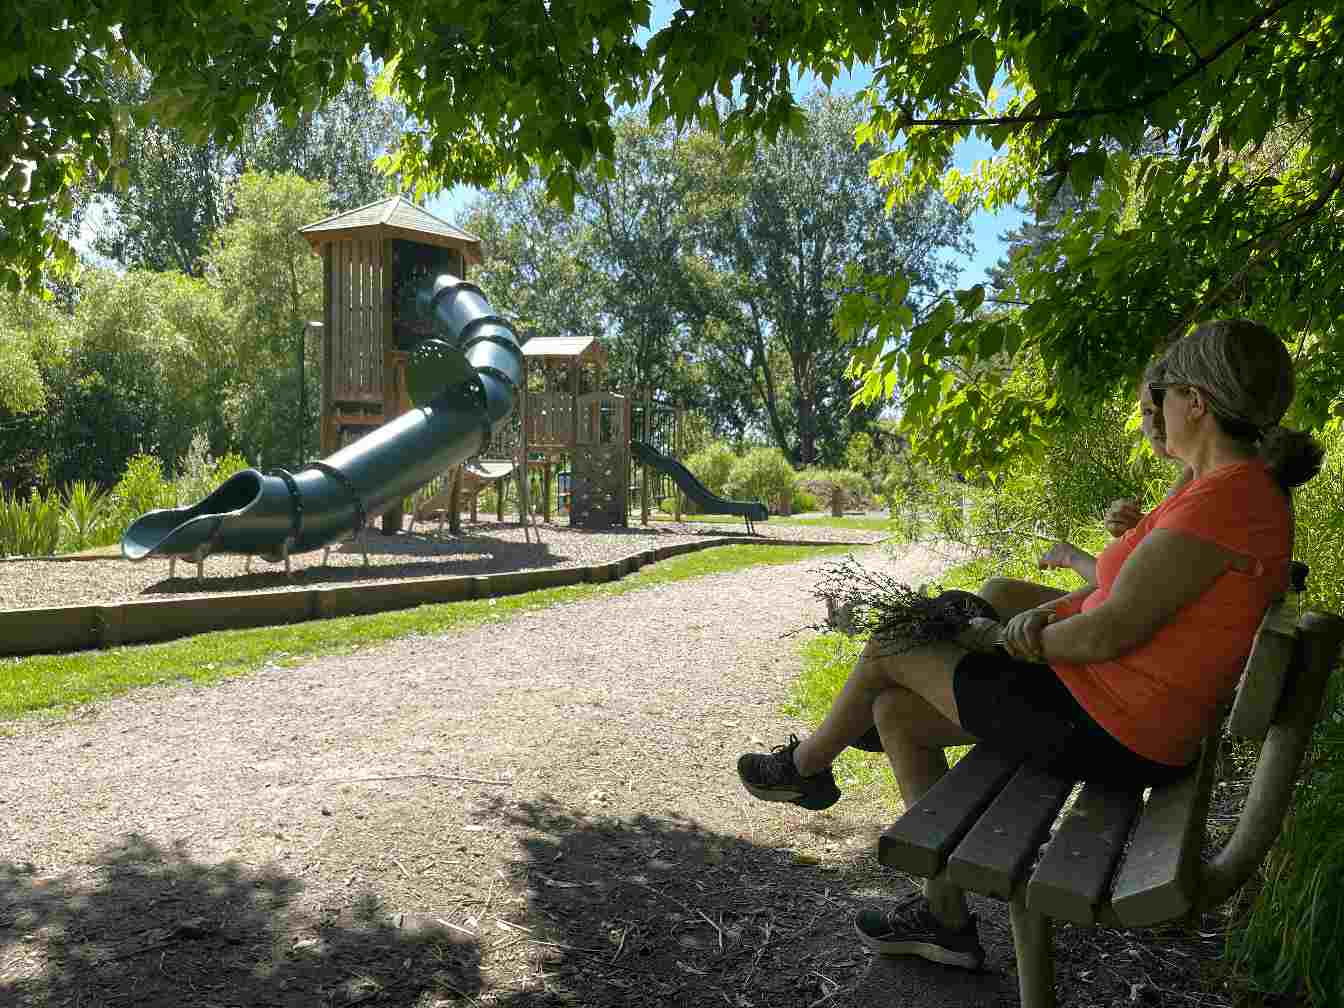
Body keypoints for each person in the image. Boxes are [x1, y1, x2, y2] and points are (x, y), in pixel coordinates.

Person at [736, 319, 1323, 970]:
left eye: (1166, 396)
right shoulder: (1226, 489)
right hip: (1122, 713)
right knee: (896, 711)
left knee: (891, 646)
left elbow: (1109, 630)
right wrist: (1030, 622)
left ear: (1197, 402)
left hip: (1115, 729)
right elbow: (1123, 595)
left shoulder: (1228, 501)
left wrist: (1017, 640)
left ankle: (807, 768)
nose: (1155, 412)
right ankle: (945, 918)